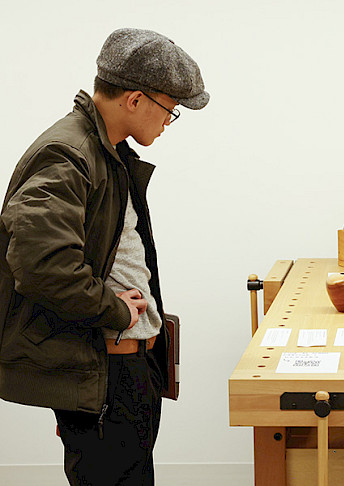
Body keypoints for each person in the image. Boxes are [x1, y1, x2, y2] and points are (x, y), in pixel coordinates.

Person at [0, 28, 209, 485]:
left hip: (128, 371)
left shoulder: (106, 152)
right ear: (135, 100)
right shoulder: (67, 153)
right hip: (104, 377)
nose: (167, 122)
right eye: (170, 110)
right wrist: (115, 309)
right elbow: (41, 266)